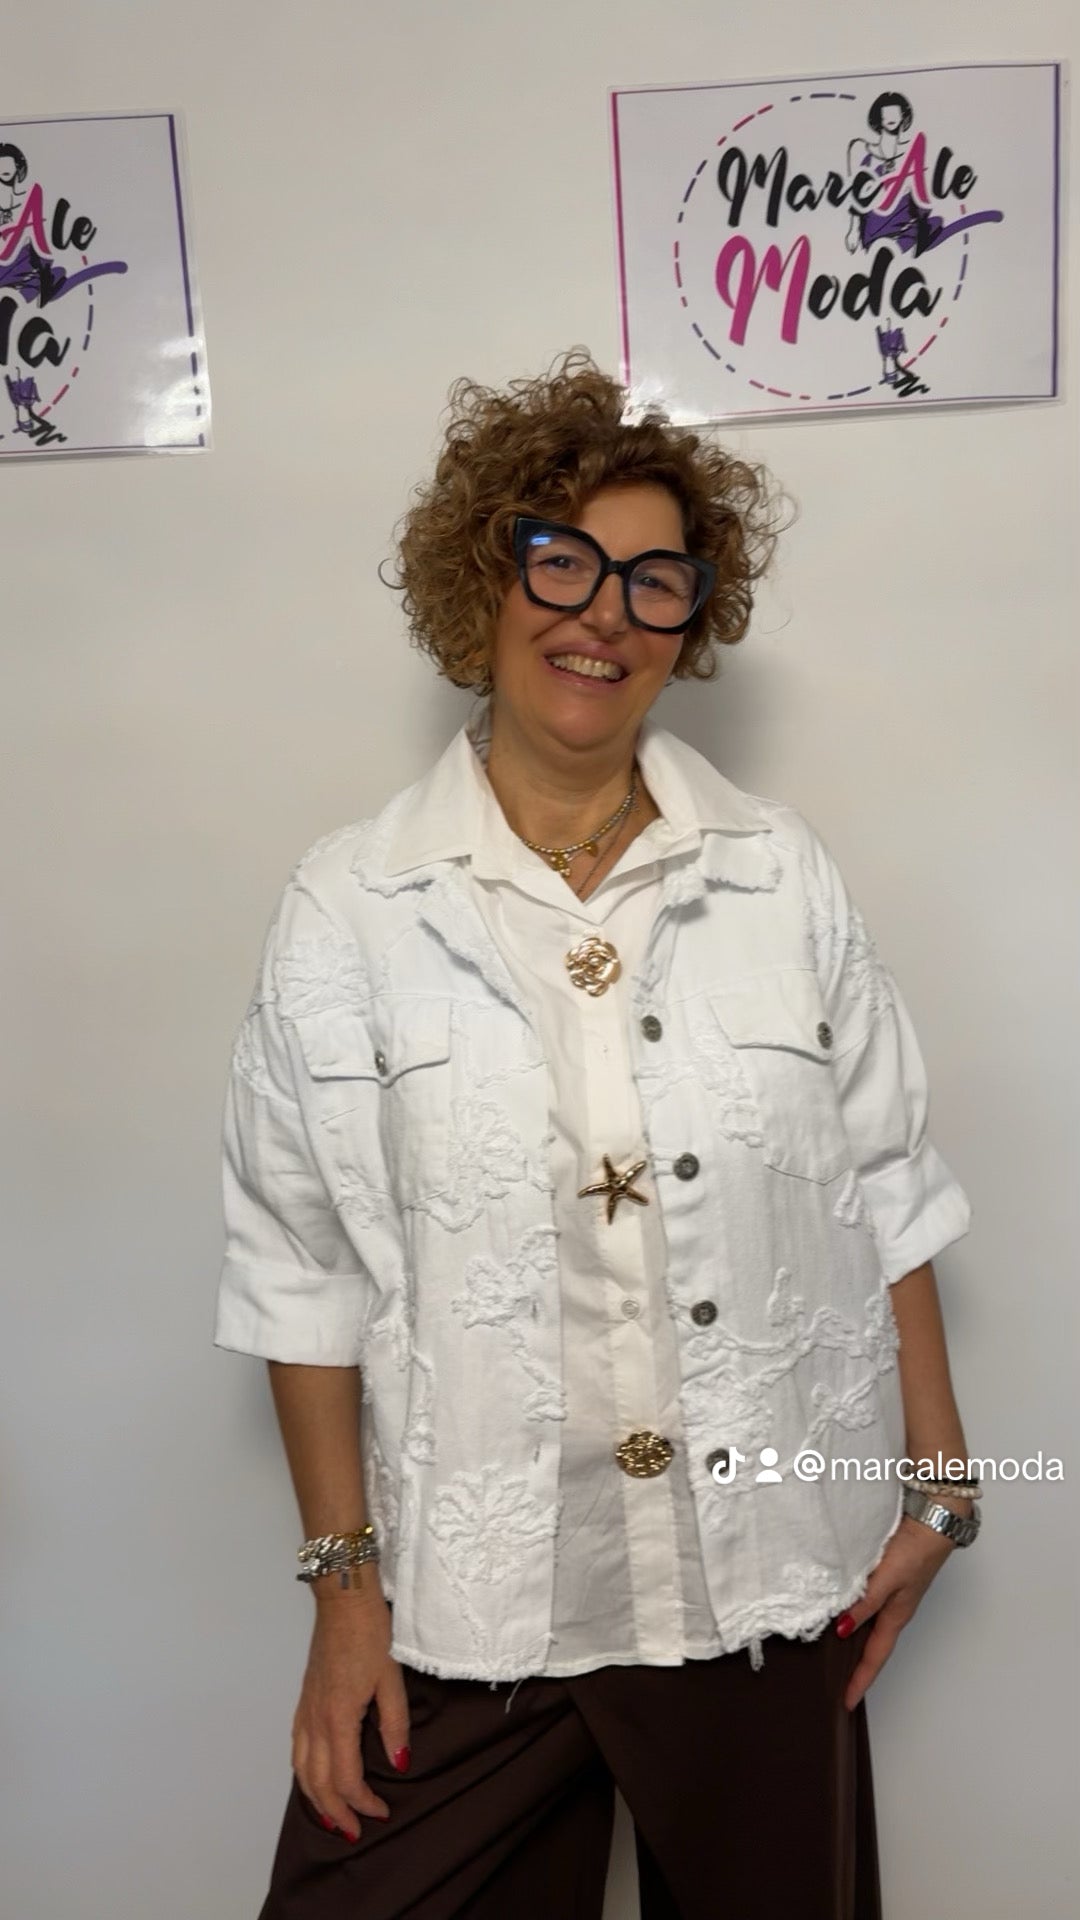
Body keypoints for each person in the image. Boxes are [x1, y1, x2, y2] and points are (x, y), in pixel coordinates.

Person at [214, 351, 979, 1919]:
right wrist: (345, 1603)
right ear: (483, 581)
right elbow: (303, 1269)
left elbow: (884, 1180)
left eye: (654, 580)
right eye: (561, 560)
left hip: (764, 1580)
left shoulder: (780, 877)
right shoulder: (350, 908)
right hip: (476, 1602)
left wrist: (940, 1486)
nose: (605, 613)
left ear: (692, 620)